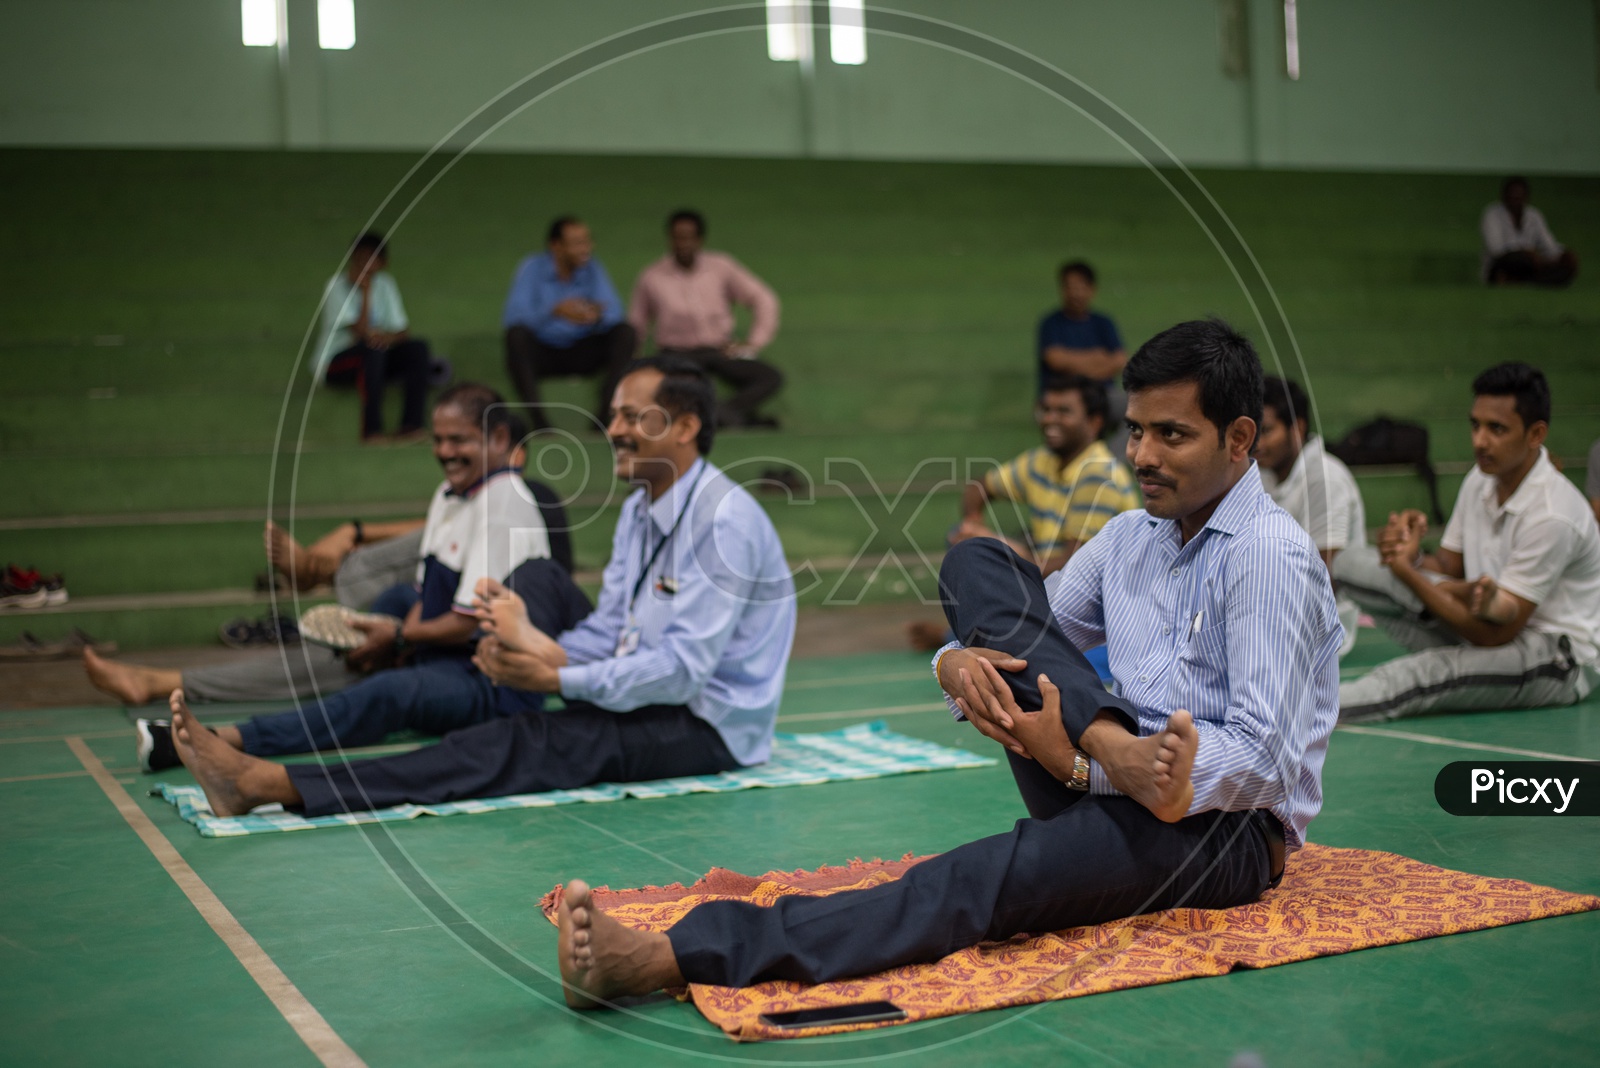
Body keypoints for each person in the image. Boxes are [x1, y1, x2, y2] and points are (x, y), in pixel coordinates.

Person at [552, 319, 1341, 1007]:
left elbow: (1267, 762)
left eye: (1172, 435)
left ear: (1239, 439)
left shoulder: (1270, 557)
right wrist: (952, 664)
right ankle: (1110, 745)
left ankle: (668, 955)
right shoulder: (1130, 540)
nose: (1142, 455)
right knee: (980, 564)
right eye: (1135, 431)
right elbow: (1028, 630)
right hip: (1092, 753)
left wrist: (1100, 773)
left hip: (1217, 830)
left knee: (983, 879)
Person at [167, 357, 797, 819]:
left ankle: (268, 784)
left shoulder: (723, 522)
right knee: (535, 599)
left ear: (685, 427)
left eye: (632, 416)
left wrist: (555, 677)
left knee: (523, 745)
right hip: (645, 688)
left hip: (703, 726)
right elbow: (612, 626)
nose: (613, 429)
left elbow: (683, 673)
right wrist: (532, 648)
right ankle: (493, 688)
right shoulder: (640, 508)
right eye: (612, 415)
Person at [134, 383, 582, 771]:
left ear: (499, 438)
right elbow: (427, 595)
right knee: (391, 602)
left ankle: (222, 739)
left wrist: (401, 639)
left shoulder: (504, 505)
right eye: (438, 439)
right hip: (451, 654)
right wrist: (398, 632)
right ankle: (359, 693)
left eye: (458, 440)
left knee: (387, 692)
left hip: (496, 682)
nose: (444, 452)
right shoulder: (451, 494)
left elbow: (466, 623)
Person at [1334, 363, 1600, 722]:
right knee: (1348, 563)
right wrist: (1408, 554)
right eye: (1475, 425)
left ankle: (1295, 714)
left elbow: (1497, 634)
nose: (1479, 441)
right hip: (1479, 622)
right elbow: (1446, 567)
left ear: (1535, 434)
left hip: (1550, 657)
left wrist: (1408, 574)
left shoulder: (1554, 514)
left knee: (1416, 676)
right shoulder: (1481, 477)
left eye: (1497, 429)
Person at [628, 209, 783, 429]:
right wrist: (636, 362)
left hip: (719, 350)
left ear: (700, 239)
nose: (682, 244)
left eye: (688, 237)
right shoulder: (652, 277)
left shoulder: (722, 267)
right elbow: (637, 323)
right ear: (669, 239)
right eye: (677, 238)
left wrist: (753, 343)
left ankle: (724, 412)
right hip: (676, 354)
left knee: (769, 377)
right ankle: (729, 418)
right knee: (685, 388)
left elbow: (764, 299)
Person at [1255, 375, 1367, 655]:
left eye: (1267, 431)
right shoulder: (1261, 474)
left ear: (1298, 428)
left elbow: (1325, 578)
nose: (1256, 443)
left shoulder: (1325, 478)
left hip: (1321, 628)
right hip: (1271, 611)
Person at [503, 216, 637, 430]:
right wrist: (555, 311)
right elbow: (514, 317)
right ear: (556, 246)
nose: (586, 248)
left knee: (625, 333)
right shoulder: (531, 268)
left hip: (582, 349)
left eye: (587, 241)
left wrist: (593, 316)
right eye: (577, 243)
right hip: (545, 351)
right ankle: (539, 424)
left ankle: (603, 418)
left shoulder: (593, 268)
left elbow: (613, 312)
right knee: (516, 337)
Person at [312, 232, 435, 442]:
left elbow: (402, 331)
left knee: (418, 349)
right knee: (372, 349)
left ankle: (411, 425)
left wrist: (385, 339)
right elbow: (360, 332)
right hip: (335, 363)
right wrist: (366, 291)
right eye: (360, 260)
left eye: (372, 260)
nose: (365, 266)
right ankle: (372, 430)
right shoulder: (336, 286)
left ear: (383, 263)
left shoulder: (386, 284)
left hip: (376, 356)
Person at [1036, 260, 1128, 450]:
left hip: (1102, 396)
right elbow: (1055, 359)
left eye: (1081, 287)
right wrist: (1097, 357)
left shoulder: (1103, 323)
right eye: (1069, 287)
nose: (1075, 293)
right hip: (1062, 397)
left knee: (1138, 411)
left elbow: (1119, 360)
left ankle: (1110, 460)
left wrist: (1075, 366)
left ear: (1091, 289)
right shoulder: (1051, 324)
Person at [1482, 177, 1578, 288]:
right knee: (1521, 260)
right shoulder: (1492, 214)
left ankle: (1523, 281)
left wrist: (1562, 255)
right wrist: (1526, 253)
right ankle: (1520, 279)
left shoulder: (1534, 215)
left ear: (1526, 197)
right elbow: (1496, 249)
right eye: (1512, 195)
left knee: (1565, 267)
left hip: (1531, 266)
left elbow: (1549, 245)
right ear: (1503, 196)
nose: (1515, 198)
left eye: (1519, 196)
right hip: (1502, 265)